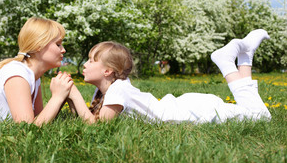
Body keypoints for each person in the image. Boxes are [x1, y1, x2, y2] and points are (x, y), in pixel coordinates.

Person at [66, 29, 272, 124]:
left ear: (107, 71)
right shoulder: (106, 88)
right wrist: (67, 98)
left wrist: (74, 95)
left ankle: (228, 61)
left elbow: (98, 125)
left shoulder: (117, 89)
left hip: (191, 113)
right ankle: (245, 56)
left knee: (262, 117)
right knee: (254, 113)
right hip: (184, 106)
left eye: (91, 60)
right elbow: (90, 116)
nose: (84, 64)